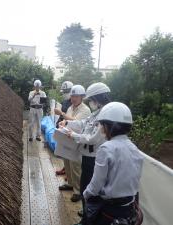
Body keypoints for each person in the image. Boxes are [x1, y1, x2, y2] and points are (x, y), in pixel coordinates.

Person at [83, 102, 144, 225]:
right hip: (128, 209)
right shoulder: (134, 149)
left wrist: (86, 194)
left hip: (109, 210)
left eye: (102, 124)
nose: (101, 128)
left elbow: (96, 184)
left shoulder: (106, 149)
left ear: (109, 126)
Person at [63, 82, 111, 225]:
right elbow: (84, 123)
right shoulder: (97, 113)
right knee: (86, 188)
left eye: (91, 99)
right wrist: (67, 124)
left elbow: (93, 138)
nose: (90, 102)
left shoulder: (105, 116)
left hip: (94, 158)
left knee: (89, 190)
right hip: (88, 157)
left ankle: (87, 219)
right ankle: (87, 215)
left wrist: (73, 135)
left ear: (98, 99)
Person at [58, 85, 91, 204]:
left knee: (76, 166)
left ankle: (77, 191)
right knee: (67, 162)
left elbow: (75, 122)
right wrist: (62, 122)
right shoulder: (71, 107)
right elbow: (67, 120)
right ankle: (70, 184)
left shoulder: (85, 110)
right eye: (72, 96)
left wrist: (64, 117)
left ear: (82, 97)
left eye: (76, 96)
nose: (73, 98)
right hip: (67, 138)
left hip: (78, 140)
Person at [54, 81, 74, 176]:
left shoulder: (75, 104)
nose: (65, 94)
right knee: (64, 152)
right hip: (63, 128)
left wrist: (61, 114)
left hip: (71, 130)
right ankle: (66, 169)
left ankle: (69, 173)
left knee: (71, 153)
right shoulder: (64, 102)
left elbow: (71, 118)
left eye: (67, 91)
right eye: (64, 91)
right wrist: (58, 123)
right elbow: (62, 116)